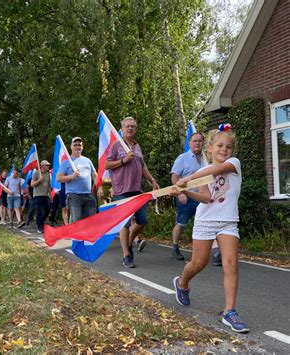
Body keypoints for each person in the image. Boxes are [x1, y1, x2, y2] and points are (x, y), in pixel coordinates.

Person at [172, 126, 249, 333]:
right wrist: (186, 191)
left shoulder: (234, 164)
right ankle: (182, 283)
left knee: (231, 263)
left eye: (228, 147)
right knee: (198, 263)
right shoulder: (199, 173)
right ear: (210, 147)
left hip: (228, 221)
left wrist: (187, 180)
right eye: (220, 145)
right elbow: (206, 198)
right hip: (205, 220)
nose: (224, 149)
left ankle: (230, 311)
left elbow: (215, 171)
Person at [105, 117, 159, 268]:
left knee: (142, 220)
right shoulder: (116, 145)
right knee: (125, 224)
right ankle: (126, 255)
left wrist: (152, 180)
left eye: (133, 127)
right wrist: (123, 160)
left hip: (137, 190)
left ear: (135, 129)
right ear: (121, 129)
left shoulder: (137, 146)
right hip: (121, 190)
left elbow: (142, 167)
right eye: (127, 126)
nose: (130, 129)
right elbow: (106, 164)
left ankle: (129, 242)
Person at [170, 132, 206, 260]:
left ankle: (210, 251)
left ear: (203, 143)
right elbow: (174, 177)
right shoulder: (183, 158)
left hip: (202, 197)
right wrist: (180, 192)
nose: (197, 143)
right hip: (185, 196)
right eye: (194, 141)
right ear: (189, 143)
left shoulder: (206, 159)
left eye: (200, 141)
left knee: (205, 222)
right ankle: (175, 247)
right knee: (182, 223)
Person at [57, 137, 97, 222]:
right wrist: (71, 176)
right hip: (74, 196)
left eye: (79, 145)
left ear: (82, 147)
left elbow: (94, 175)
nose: (77, 147)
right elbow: (59, 178)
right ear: (71, 147)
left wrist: (99, 187)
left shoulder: (87, 160)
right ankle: (75, 235)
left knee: (91, 221)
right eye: (75, 145)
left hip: (88, 195)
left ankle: (87, 236)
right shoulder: (66, 162)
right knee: (77, 222)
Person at [31, 160, 51, 233]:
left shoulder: (47, 174)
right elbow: (32, 184)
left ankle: (41, 221)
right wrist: (39, 180)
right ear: (42, 166)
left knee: (47, 209)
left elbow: (49, 185)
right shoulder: (36, 173)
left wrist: (50, 195)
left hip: (45, 195)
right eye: (47, 165)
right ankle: (40, 227)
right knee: (39, 211)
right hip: (38, 195)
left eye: (48, 165)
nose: (48, 166)